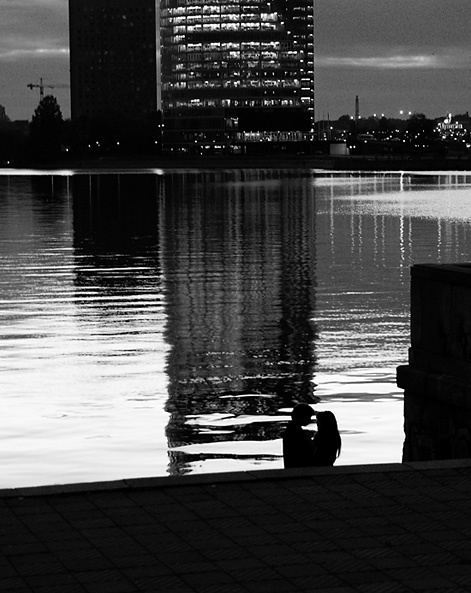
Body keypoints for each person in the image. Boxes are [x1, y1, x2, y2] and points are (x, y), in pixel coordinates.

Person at [282, 403, 316, 468]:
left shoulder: (291, 430)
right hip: (298, 468)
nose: (310, 420)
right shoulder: (296, 432)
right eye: (308, 417)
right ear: (302, 417)